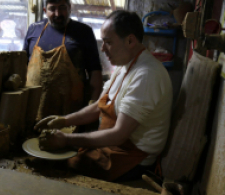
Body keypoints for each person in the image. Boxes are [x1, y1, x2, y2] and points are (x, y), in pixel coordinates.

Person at [35, 10, 173, 182]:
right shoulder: (125, 65)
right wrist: (65, 120)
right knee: (54, 160)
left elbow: (119, 134)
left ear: (130, 40)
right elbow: (99, 106)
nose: (102, 48)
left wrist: (66, 140)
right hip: (113, 147)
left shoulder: (147, 75)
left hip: (131, 159)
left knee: (59, 170)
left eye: (108, 42)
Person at [24, 0, 102, 122]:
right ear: (44, 11)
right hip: (34, 109)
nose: (57, 13)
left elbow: (95, 71)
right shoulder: (34, 29)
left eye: (62, 7)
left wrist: (93, 105)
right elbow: (23, 64)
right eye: (52, 9)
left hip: (70, 112)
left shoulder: (83, 32)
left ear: (70, 7)